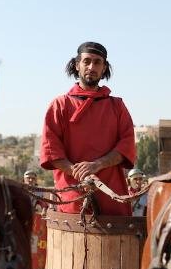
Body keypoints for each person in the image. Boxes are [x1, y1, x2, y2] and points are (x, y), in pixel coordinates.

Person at [40, 41, 135, 215]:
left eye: (98, 62)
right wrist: (78, 172)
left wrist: (97, 165)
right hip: (72, 195)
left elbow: (127, 145)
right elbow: (51, 150)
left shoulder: (117, 106)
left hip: (111, 194)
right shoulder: (60, 105)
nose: (92, 66)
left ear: (104, 67)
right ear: (77, 65)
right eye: (87, 61)